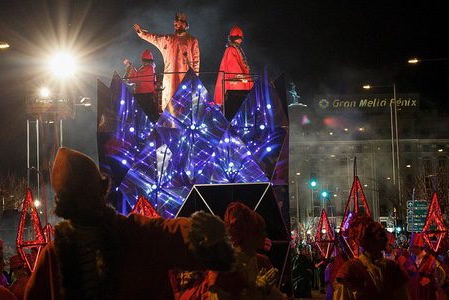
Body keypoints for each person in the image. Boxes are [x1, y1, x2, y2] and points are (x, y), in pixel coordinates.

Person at [24, 147, 235, 299]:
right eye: (82, 194)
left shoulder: (133, 233)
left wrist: (197, 233)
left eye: (91, 192)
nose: (88, 200)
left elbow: (169, 233)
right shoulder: (53, 256)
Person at [206, 202, 284, 299]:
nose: (265, 235)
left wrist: (267, 290)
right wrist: (257, 289)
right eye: (261, 230)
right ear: (248, 233)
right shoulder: (224, 265)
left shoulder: (258, 260)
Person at [133, 12, 200, 114]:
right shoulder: (167, 39)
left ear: (185, 24)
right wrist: (142, 33)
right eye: (175, 22)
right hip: (170, 79)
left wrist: (195, 77)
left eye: (179, 22)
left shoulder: (192, 40)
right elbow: (154, 38)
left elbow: (196, 60)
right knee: (170, 105)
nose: (176, 24)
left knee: (185, 106)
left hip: (186, 78)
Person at [333, 216, 409, 299]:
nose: (386, 239)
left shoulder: (393, 268)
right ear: (367, 240)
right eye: (380, 235)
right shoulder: (351, 270)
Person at [213, 25, 253, 108]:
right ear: (239, 38)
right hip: (235, 86)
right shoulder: (232, 49)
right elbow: (234, 69)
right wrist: (244, 79)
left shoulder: (234, 48)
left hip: (236, 84)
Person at [401, 233, 446, 300]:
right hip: (412, 292)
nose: (411, 250)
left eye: (412, 247)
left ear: (419, 247)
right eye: (411, 247)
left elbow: (438, 277)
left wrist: (429, 281)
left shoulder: (431, 259)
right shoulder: (409, 259)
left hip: (426, 292)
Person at [124, 49, 160, 121]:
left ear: (143, 60)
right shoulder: (149, 68)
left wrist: (130, 68)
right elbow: (134, 78)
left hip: (144, 96)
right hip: (143, 96)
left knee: (145, 117)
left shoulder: (149, 68)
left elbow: (136, 78)